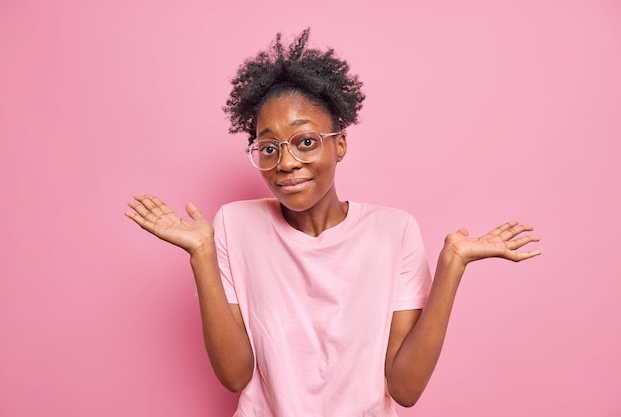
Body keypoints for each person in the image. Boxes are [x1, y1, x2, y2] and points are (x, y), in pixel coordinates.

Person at [125, 28, 541, 417]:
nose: (286, 163)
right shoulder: (235, 224)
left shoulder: (394, 232)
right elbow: (235, 376)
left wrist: (452, 264)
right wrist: (201, 254)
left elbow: (406, 389)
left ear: (339, 144)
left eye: (306, 142)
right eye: (268, 147)